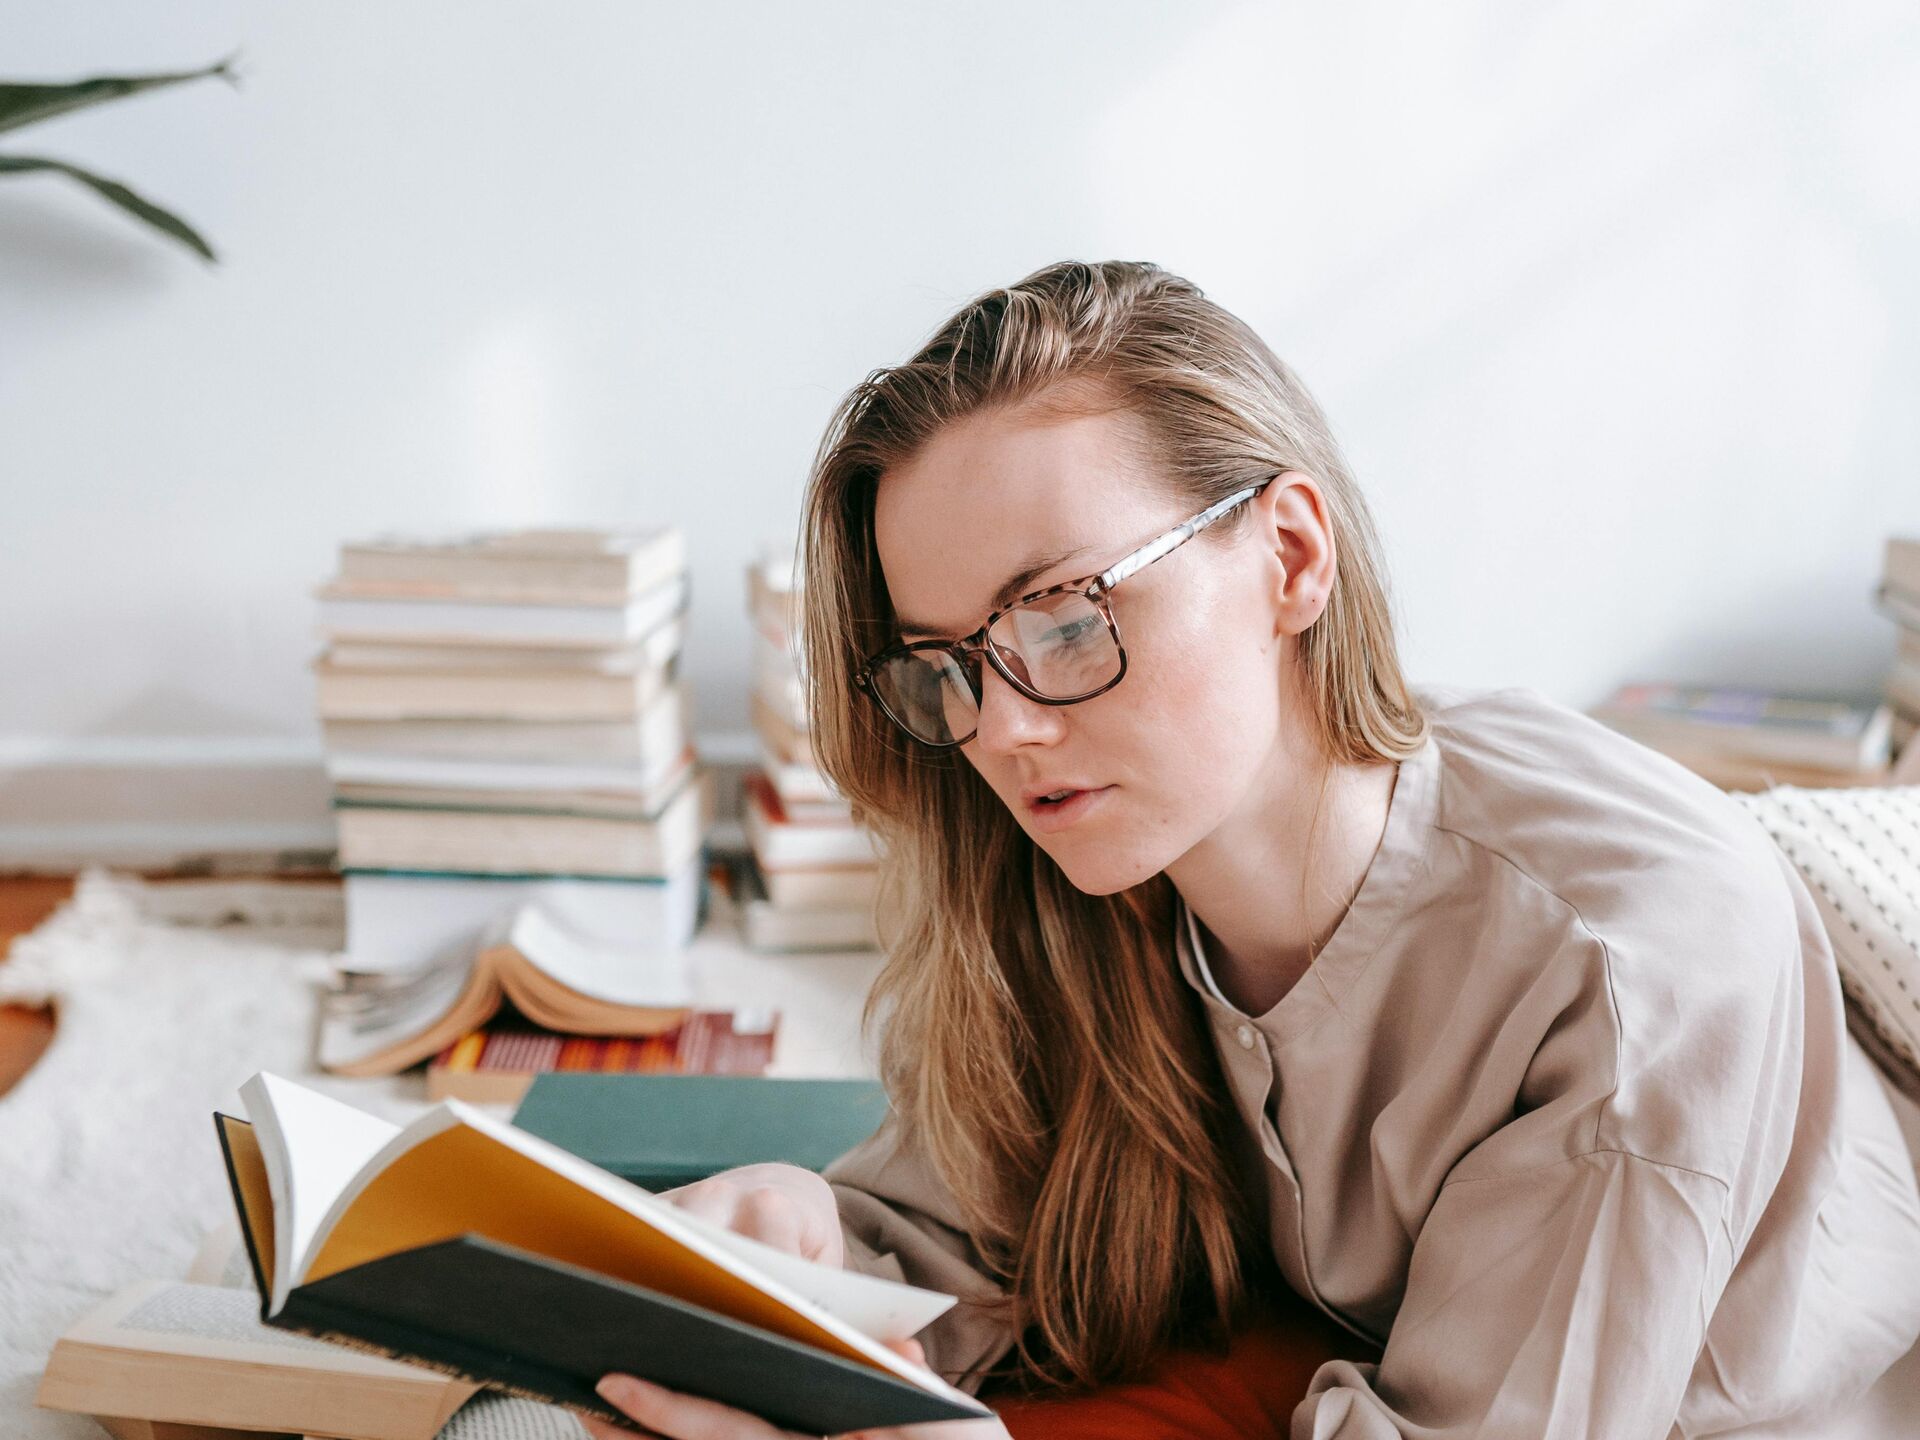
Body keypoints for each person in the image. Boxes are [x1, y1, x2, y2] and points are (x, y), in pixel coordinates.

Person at [585, 260, 1920, 1439]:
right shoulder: (1102, 876)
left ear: (1290, 554)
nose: (1000, 730)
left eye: (1059, 614)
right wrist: (804, 1241)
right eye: (946, 668)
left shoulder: (1631, 966)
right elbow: (952, 1227)